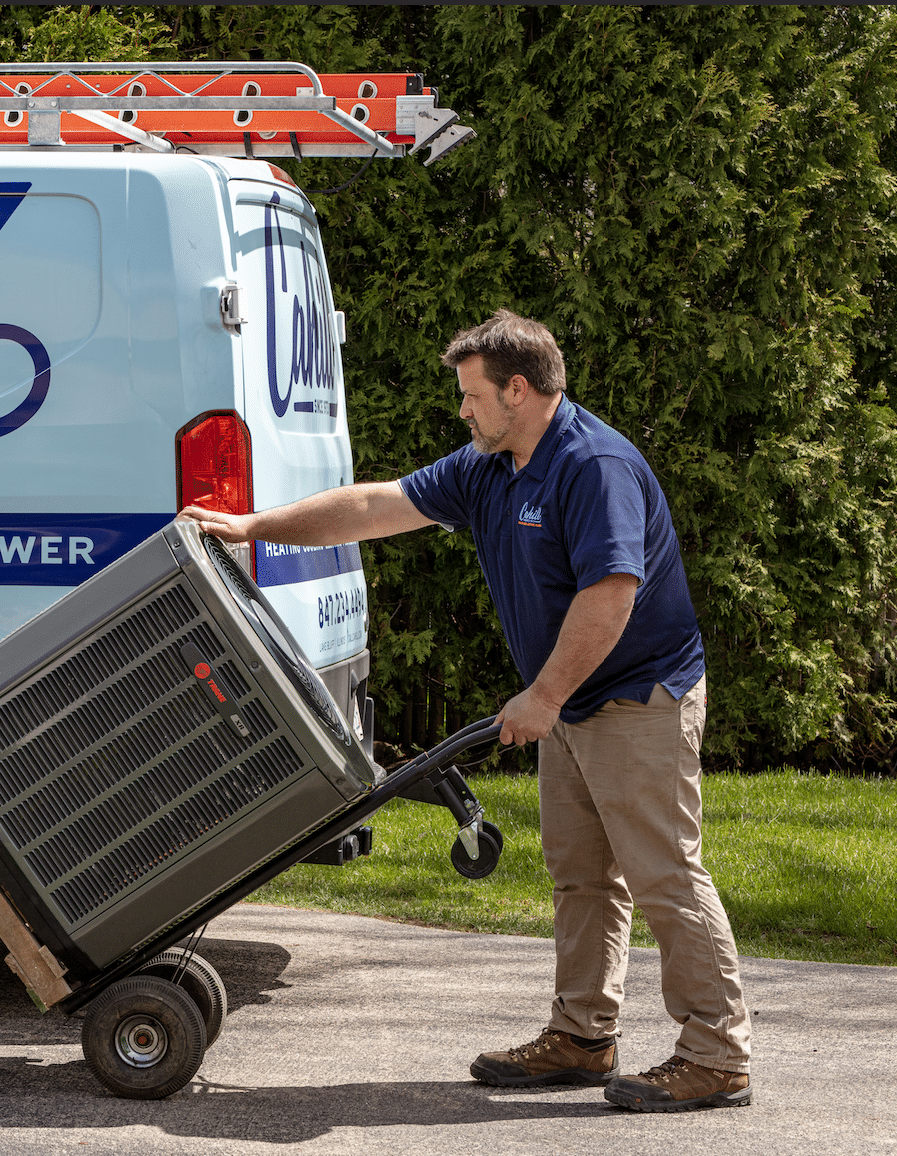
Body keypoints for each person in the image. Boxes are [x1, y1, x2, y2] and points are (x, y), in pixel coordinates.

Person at [181, 309, 752, 1112]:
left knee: (663, 872)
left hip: (637, 695)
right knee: (581, 876)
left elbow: (611, 593)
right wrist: (253, 527)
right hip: (577, 700)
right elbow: (376, 508)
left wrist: (545, 696)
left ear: (518, 390)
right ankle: (583, 1036)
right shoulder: (494, 465)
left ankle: (717, 1054)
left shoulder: (592, 467)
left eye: (472, 395)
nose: (463, 410)